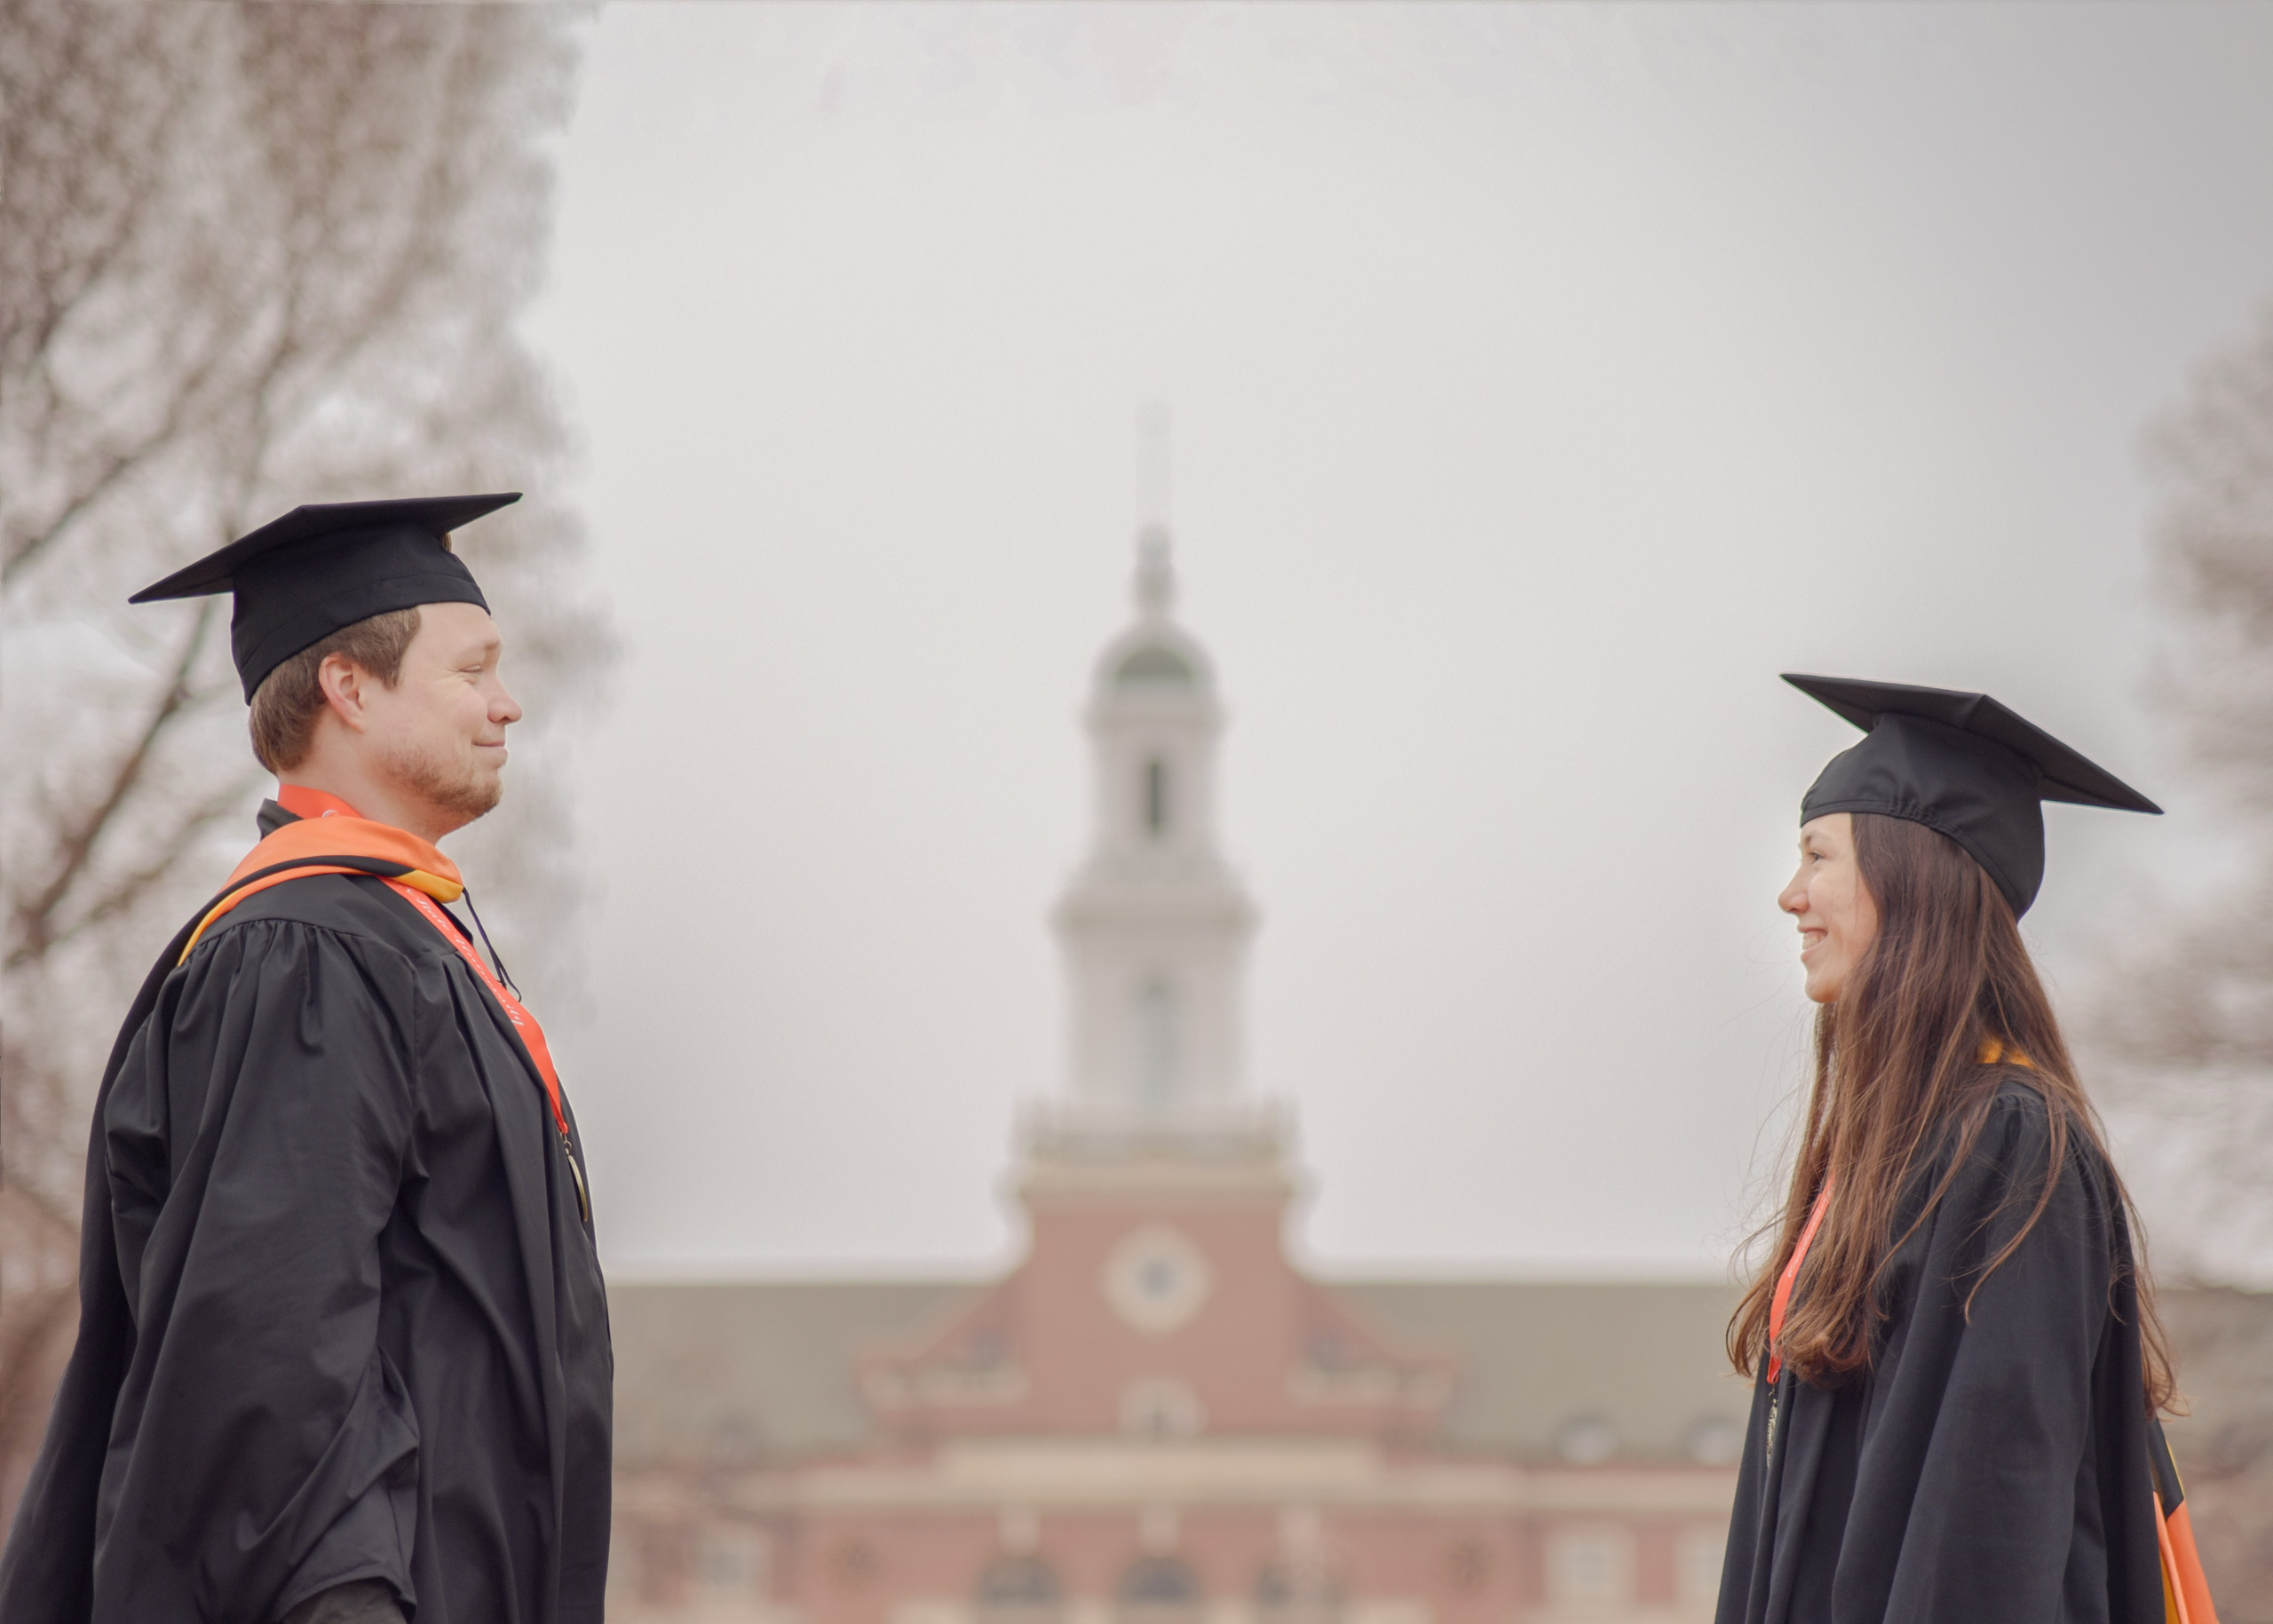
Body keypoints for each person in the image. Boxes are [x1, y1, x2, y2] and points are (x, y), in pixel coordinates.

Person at [0, 495, 611, 1624]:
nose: (507, 702)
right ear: (350, 686)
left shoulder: (393, 939)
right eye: (472, 669)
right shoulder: (309, 955)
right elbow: (274, 1362)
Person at [1715, 675, 2215, 1624]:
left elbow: (1989, 1514)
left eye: (1817, 855)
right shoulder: (1888, 1155)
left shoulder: (2006, 1148)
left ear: (1911, 877)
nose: (1790, 895)